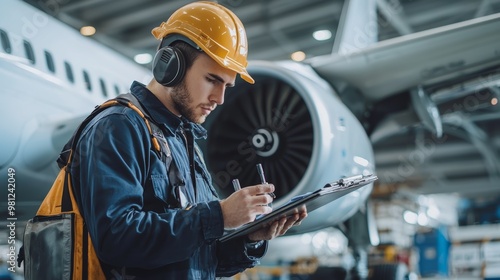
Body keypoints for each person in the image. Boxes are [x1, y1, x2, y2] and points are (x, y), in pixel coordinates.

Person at [66, 1, 307, 279]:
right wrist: (218, 216)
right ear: (171, 66)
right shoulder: (119, 126)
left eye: (227, 86)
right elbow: (116, 240)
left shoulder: (185, 143)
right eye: (212, 80)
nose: (220, 99)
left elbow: (202, 261)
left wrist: (249, 237)